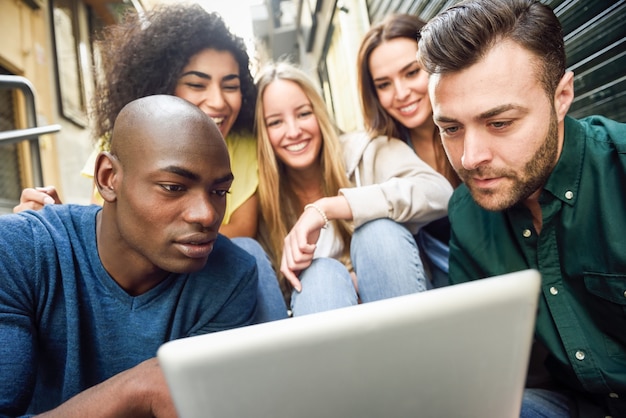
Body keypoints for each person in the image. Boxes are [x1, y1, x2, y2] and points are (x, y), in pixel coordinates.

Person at [12, 4, 287, 322]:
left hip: (206, 280)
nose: (218, 100)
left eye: (230, 85)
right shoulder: (120, 141)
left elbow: (239, 232)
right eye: (197, 84)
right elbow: (104, 227)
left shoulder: (244, 144)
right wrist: (60, 223)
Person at [417, 0, 626, 416]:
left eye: (499, 123)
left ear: (562, 95)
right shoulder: (468, 212)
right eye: (451, 129)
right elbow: (482, 363)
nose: (471, 157)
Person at [0, 95, 258, 416]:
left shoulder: (231, 275)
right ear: (109, 178)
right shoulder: (18, 250)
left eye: (219, 192)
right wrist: (136, 389)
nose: (207, 215)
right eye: (173, 187)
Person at [254, 61, 453, 316]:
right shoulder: (266, 199)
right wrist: (343, 285)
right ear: (263, 132)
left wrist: (329, 208)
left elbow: (439, 192)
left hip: (398, 303)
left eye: (304, 113)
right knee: (320, 275)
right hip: (325, 315)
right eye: (275, 122)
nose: (294, 131)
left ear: (320, 114)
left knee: (377, 232)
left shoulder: (365, 150)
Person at [356, 13, 461, 288]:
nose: (401, 93)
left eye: (412, 72)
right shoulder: (378, 155)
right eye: (384, 84)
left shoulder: (476, 126)